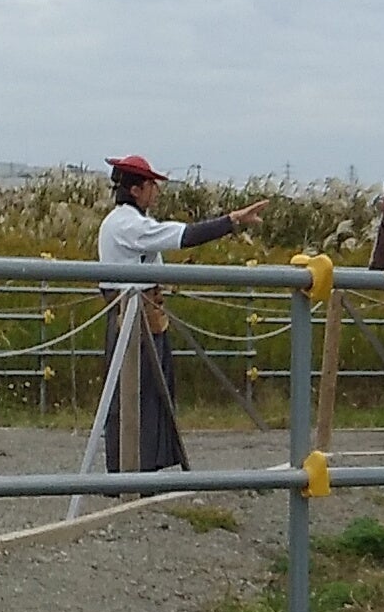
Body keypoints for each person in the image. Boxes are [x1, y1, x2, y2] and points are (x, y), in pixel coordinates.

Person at [94, 156, 260, 473]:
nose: (155, 191)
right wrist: (231, 221)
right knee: (137, 396)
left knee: (151, 395)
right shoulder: (127, 225)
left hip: (145, 315)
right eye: (151, 185)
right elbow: (185, 235)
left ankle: (143, 469)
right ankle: (132, 471)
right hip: (133, 319)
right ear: (136, 189)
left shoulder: (129, 222)